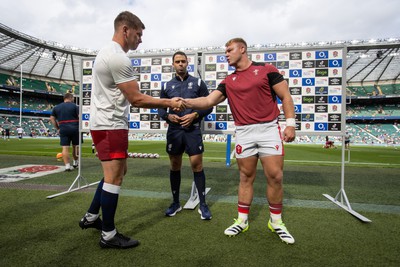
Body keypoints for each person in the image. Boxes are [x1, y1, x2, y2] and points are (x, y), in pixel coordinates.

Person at [79, 11, 184, 249]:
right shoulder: (117, 57)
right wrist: (169, 102)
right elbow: (135, 99)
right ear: (125, 30)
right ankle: (108, 234)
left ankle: (91, 217)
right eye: (138, 34)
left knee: (116, 172)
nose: (140, 40)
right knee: (114, 177)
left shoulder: (107, 52)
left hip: (108, 123)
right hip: (110, 125)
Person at [183, 38, 296, 244]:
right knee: (245, 177)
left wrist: (290, 124)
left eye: (229, 50)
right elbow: (208, 101)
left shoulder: (266, 69)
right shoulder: (228, 81)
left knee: (275, 176)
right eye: (225, 51)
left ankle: (276, 222)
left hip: (269, 129)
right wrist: (184, 101)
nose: (226, 54)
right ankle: (242, 220)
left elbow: (286, 96)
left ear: (242, 49)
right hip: (244, 132)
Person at [158, 51, 213, 220]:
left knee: (197, 165)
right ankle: (175, 203)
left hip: (192, 130)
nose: (180, 64)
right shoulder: (166, 85)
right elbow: (160, 108)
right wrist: (168, 116)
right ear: (173, 64)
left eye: (183, 61)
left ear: (187, 63)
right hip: (174, 131)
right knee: (175, 165)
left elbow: (208, 105)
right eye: (177, 61)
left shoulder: (197, 82)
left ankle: (203, 204)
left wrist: (195, 115)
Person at [50, 93, 79, 171]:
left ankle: (67, 166)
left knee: (65, 148)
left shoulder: (56, 107)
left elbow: (52, 118)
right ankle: (75, 162)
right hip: (75, 128)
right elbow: (80, 116)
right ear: (71, 98)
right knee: (76, 146)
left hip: (63, 128)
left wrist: (57, 128)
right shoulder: (75, 106)